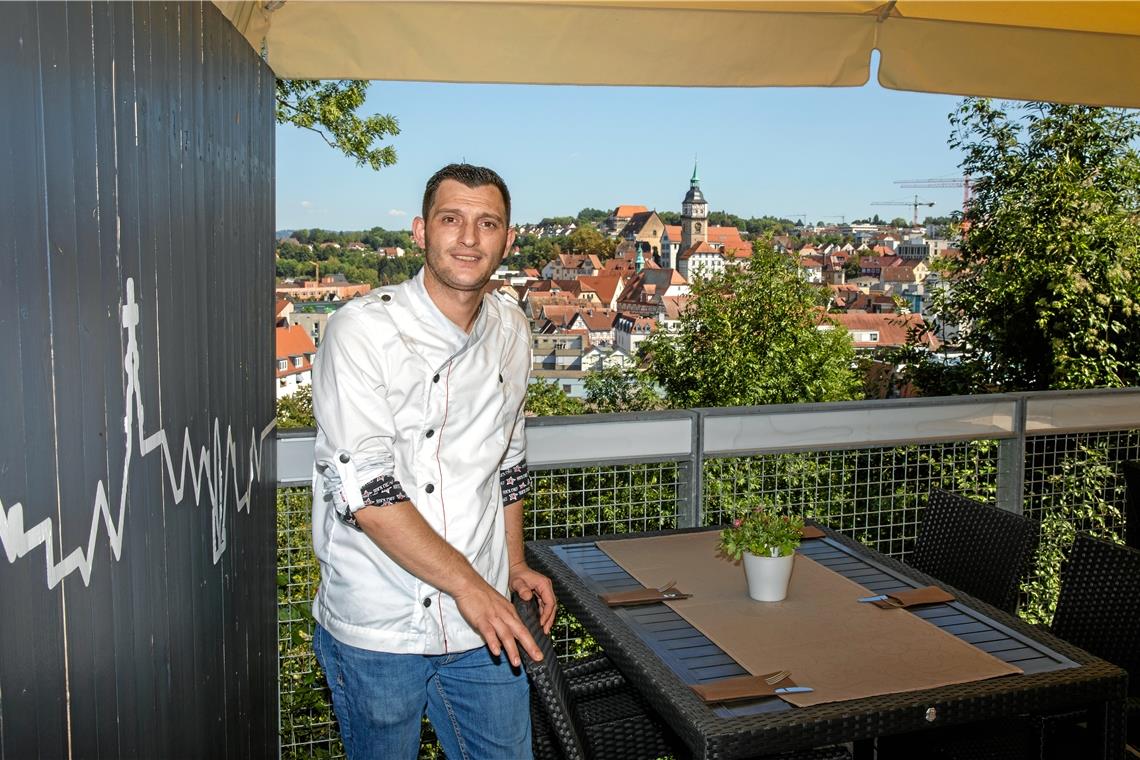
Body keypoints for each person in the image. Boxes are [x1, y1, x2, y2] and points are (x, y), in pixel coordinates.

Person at [309, 164, 557, 759]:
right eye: (452, 219)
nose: (468, 238)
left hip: (482, 622)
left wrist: (514, 563)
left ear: (508, 239)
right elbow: (366, 491)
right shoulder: (361, 330)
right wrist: (475, 587)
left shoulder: (512, 328)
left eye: (486, 223)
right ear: (421, 231)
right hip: (379, 622)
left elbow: (509, 458)